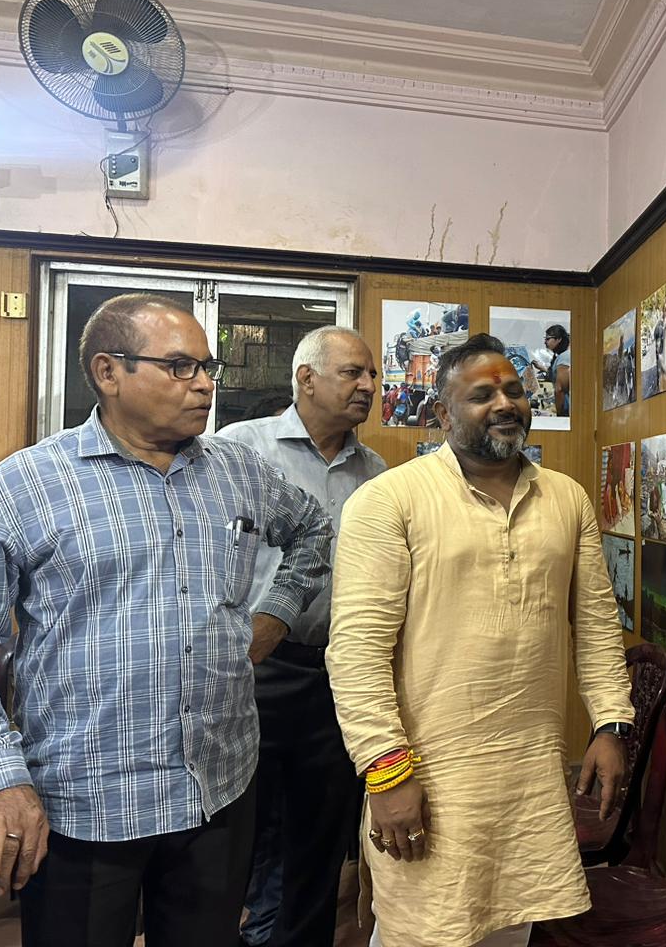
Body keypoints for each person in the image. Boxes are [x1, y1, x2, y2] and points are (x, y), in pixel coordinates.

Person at [0, 293, 332, 947]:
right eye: (179, 367)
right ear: (107, 372)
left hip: (218, 795)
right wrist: (1, 778)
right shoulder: (23, 487)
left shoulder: (237, 472)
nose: (204, 384)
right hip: (84, 809)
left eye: (208, 366)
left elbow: (314, 532)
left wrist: (274, 620)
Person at [326, 334, 634, 947]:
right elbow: (356, 652)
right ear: (442, 413)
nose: (505, 403)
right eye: (482, 394)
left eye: (515, 390)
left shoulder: (566, 498)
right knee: (422, 928)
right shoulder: (388, 500)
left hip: (528, 780)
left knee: (510, 926)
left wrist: (611, 723)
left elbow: (597, 623)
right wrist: (387, 775)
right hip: (428, 777)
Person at [218, 328, 388, 947]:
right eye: (352, 373)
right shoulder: (239, 449)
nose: (368, 385)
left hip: (336, 676)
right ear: (306, 379)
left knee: (319, 834)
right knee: (238, 830)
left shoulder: (377, 474)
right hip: (252, 671)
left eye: (371, 374)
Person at [535, 324, 571, 417]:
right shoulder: (561, 357)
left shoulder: (564, 357)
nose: (545, 342)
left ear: (558, 339)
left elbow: (559, 389)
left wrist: (559, 416)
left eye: (547, 339)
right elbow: (555, 376)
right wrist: (542, 368)